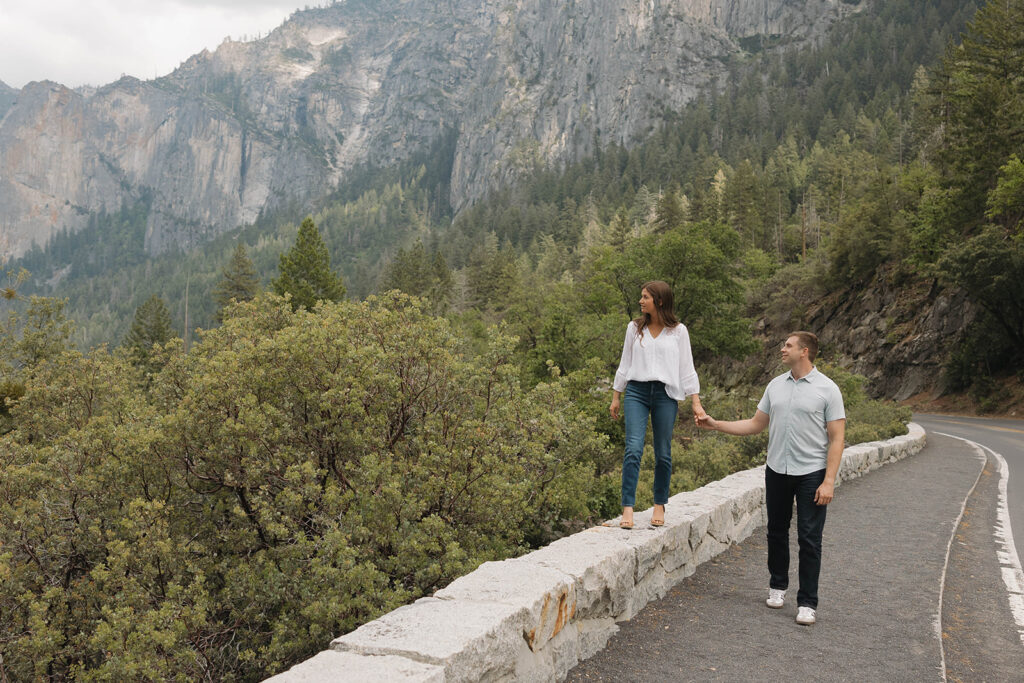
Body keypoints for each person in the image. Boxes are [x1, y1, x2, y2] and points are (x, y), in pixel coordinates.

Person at [695, 331, 845, 625]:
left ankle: (807, 603)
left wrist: (828, 481)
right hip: (776, 469)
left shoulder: (828, 389)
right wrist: (717, 425)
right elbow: (755, 425)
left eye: (788, 345)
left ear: (804, 351)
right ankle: (777, 586)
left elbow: (837, 438)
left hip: (811, 473)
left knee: (809, 539)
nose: (782, 349)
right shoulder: (775, 385)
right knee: (776, 531)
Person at [610, 281, 704, 529]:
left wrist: (696, 402)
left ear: (659, 301)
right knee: (633, 449)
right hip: (637, 392)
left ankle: (659, 504)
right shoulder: (634, 328)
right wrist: (616, 395)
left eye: (645, 297)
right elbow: (625, 362)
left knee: (663, 452)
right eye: (641, 297)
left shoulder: (678, 331)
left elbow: (687, 368)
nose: (640, 301)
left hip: (666, 394)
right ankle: (627, 507)